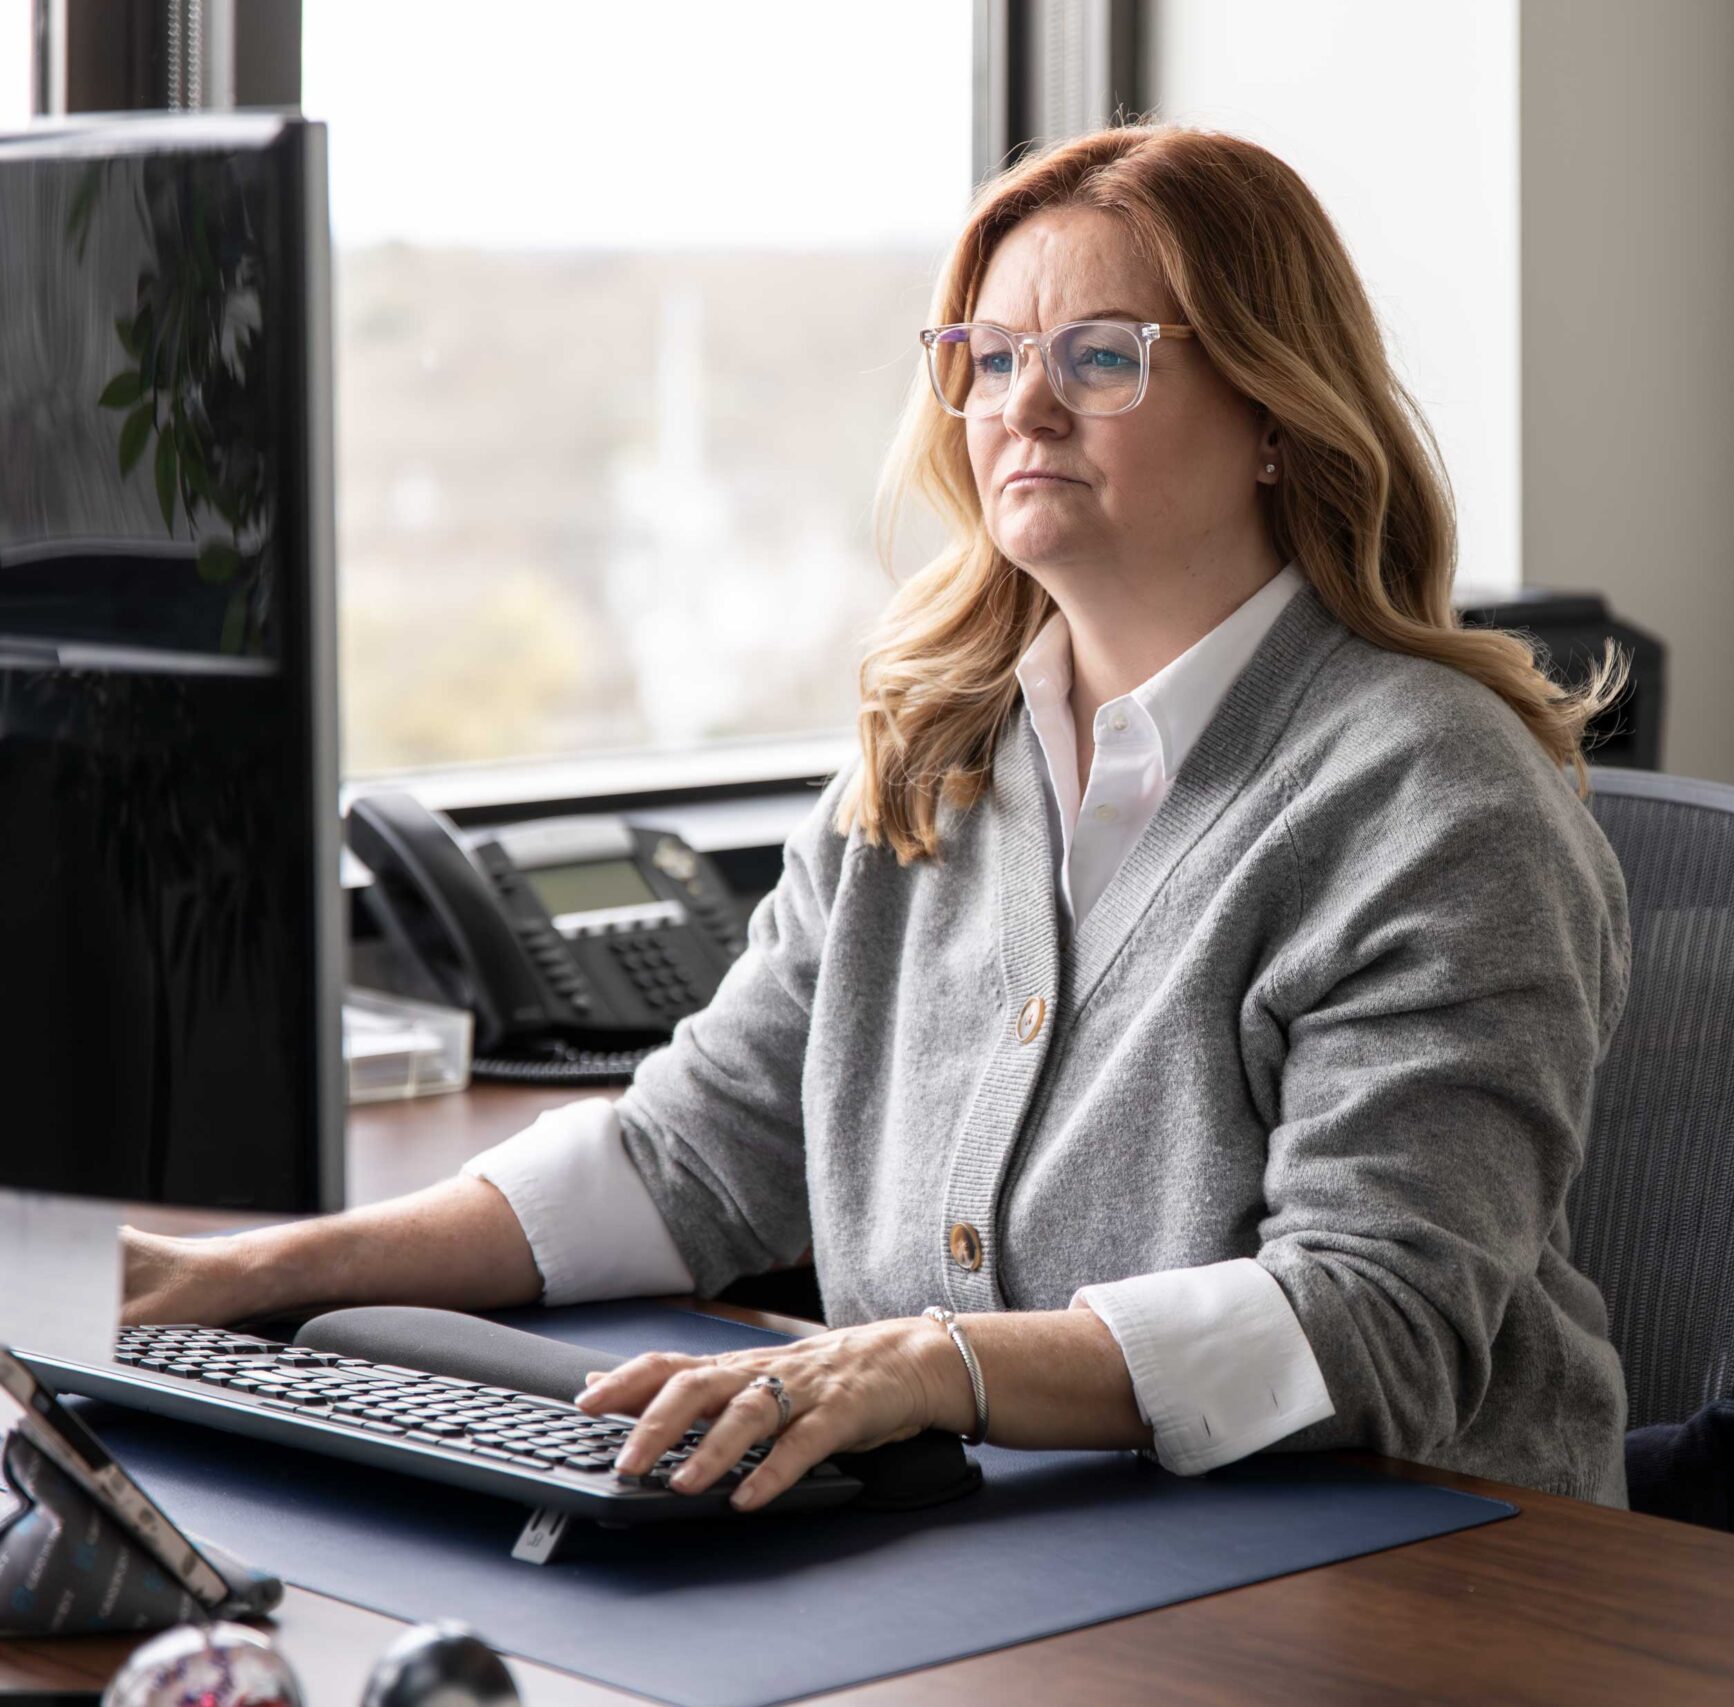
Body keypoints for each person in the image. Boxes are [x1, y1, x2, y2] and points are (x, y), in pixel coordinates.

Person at [123, 125, 1637, 1506]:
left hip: (1409, 1569)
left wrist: (926, 1362)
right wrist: (251, 1275)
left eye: (1103, 357)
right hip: (1009, 1539)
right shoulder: (936, 747)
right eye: (987, 355)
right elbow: (696, 1156)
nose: (1023, 404)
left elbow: (1374, 1320)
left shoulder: (1438, 797)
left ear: (1275, 415)